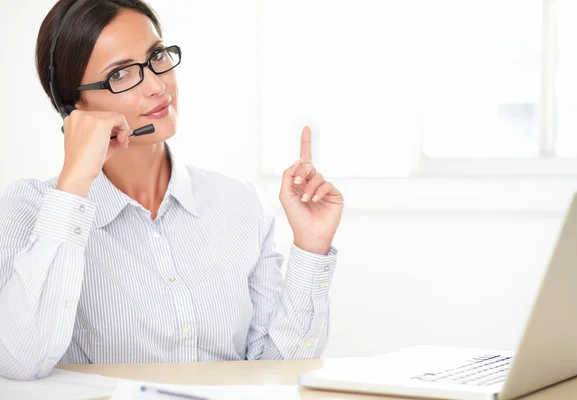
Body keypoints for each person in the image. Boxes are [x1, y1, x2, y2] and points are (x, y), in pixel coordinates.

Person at [0, 0, 343, 381]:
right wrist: (74, 183)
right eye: (121, 74)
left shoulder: (238, 202)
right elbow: (20, 363)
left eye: (157, 56)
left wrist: (311, 247)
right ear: (73, 106)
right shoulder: (33, 210)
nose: (157, 85)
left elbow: (279, 373)